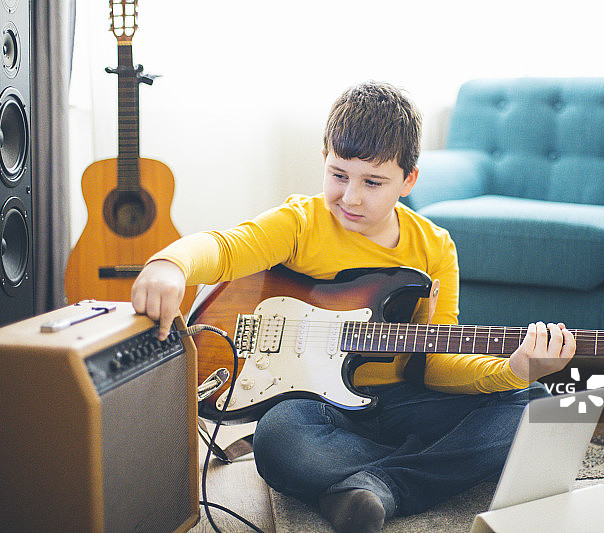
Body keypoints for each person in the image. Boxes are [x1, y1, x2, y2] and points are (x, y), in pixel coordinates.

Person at [131, 81, 576, 533]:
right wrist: (170, 264)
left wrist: (517, 369)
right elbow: (227, 248)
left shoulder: (435, 246)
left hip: (404, 399)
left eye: (373, 182)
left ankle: (371, 487)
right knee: (278, 440)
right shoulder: (302, 222)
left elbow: (436, 363)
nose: (351, 197)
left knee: (531, 406)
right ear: (324, 159)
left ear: (408, 180)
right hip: (317, 410)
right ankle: (405, 471)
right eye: (338, 175)